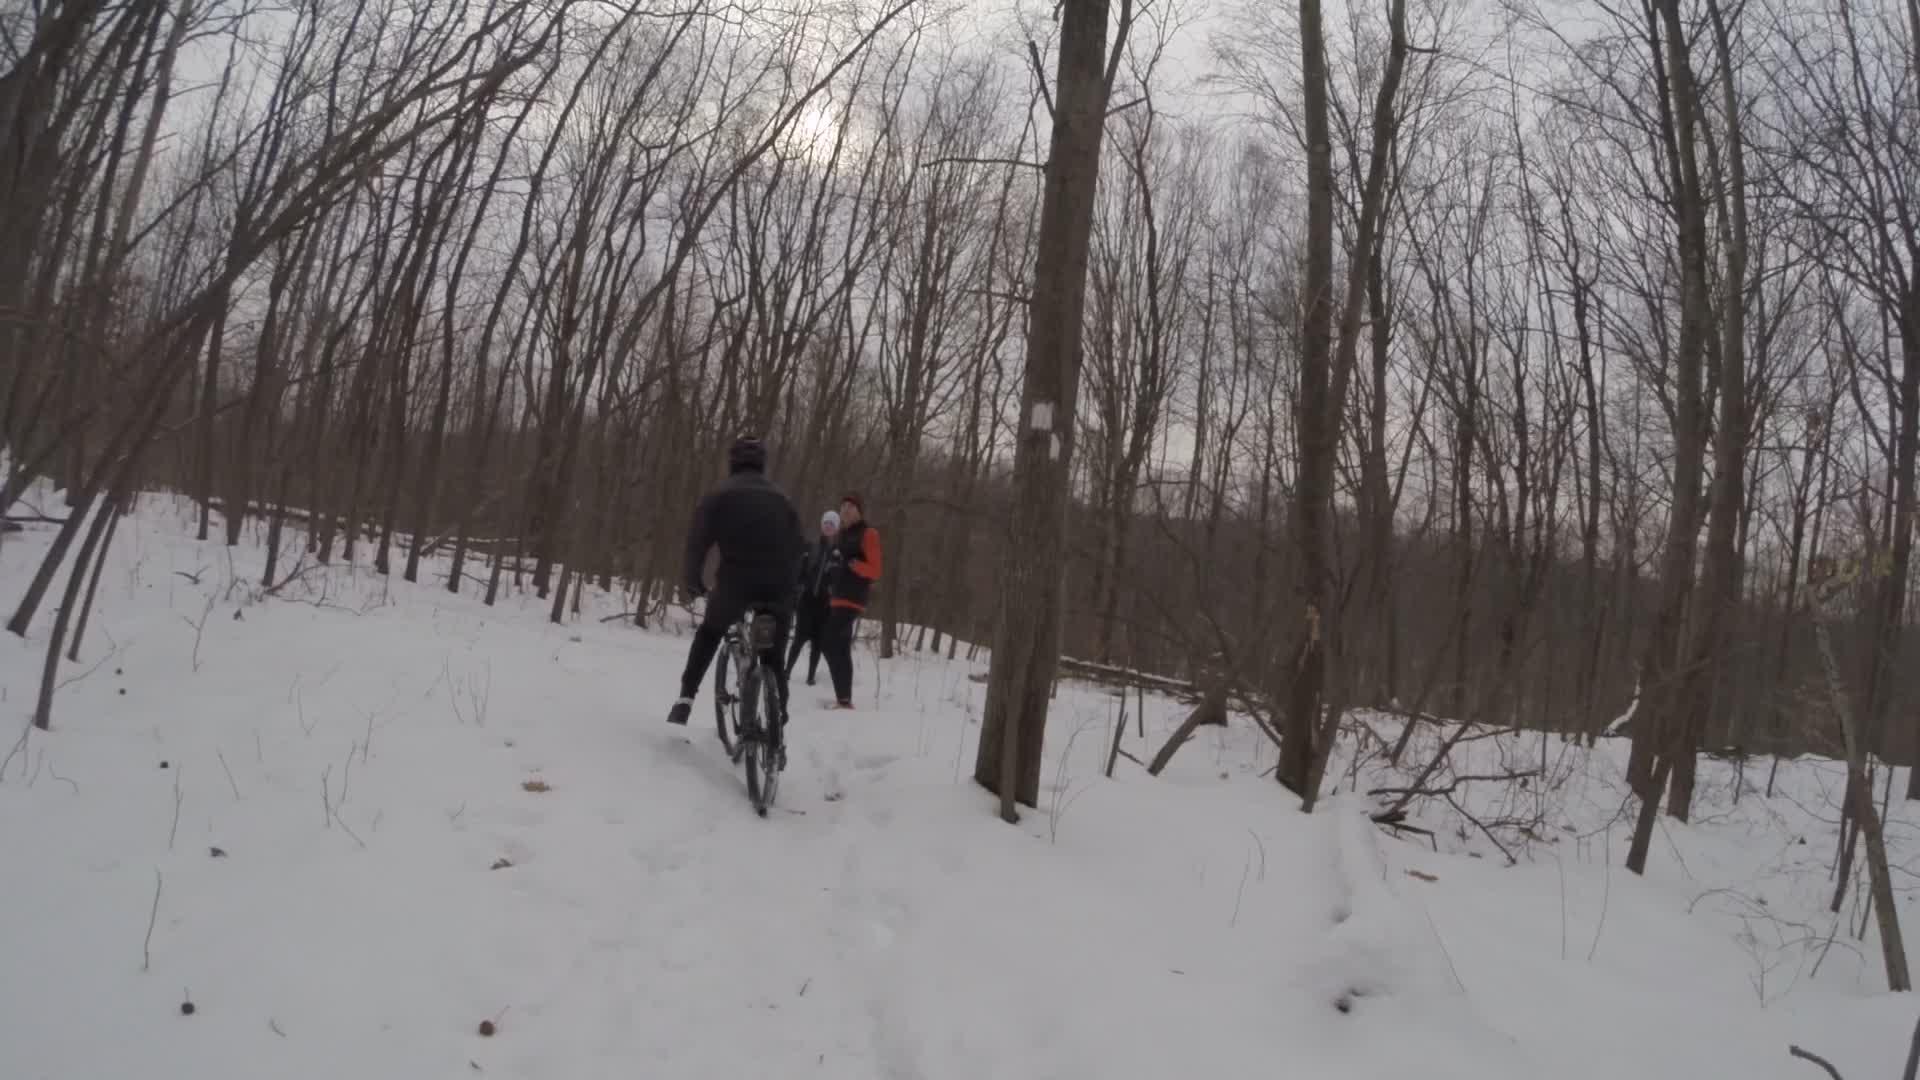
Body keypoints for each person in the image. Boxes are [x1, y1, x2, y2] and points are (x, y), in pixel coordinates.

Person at [667, 436, 805, 734]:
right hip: (779, 584)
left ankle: (685, 700)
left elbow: (697, 543)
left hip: (736, 582)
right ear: (762, 465)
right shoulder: (783, 499)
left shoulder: (718, 495)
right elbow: (800, 547)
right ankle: (778, 716)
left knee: (710, 633)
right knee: (773, 655)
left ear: (732, 462)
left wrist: (693, 582)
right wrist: (794, 587)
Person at [821, 492, 881, 709]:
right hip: (837, 598)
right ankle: (844, 700)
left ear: (859, 511)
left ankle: (843, 697)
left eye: (851, 506)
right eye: (843, 506)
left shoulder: (869, 533)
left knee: (828, 642)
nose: (845, 509)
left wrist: (856, 566)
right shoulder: (841, 535)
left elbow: (875, 571)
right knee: (841, 647)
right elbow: (839, 564)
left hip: (852, 598)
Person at [786, 509, 840, 686]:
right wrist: (797, 592)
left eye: (832, 525)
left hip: (825, 605)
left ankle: (810, 676)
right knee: (799, 640)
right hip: (807, 601)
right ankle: (787, 671)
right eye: (826, 524)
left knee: (817, 643)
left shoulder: (837, 553)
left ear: (836, 529)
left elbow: (838, 579)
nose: (828, 527)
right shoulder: (811, 547)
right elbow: (800, 572)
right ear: (821, 526)